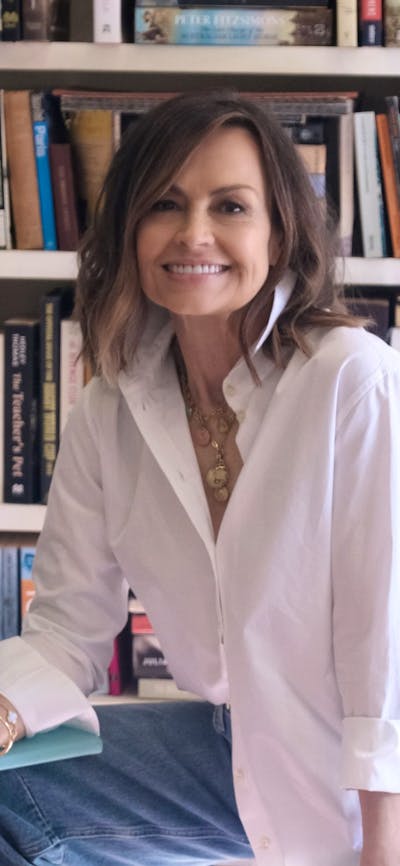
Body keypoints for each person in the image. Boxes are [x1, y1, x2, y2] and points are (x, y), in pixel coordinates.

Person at [0, 90, 399, 866]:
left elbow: (386, 652)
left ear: (280, 233)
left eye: (231, 206)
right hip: (227, 746)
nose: (194, 234)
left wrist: (386, 853)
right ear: (129, 231)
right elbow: (68, 626)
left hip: (359, 783)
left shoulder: (354, 382)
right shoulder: (110, 405)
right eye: (165, 205)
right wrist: (6, 707)